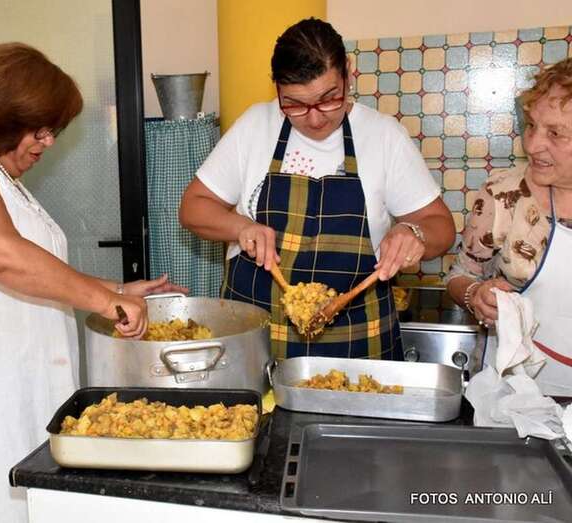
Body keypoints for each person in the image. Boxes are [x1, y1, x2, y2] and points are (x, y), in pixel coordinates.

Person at [0, 43, 185, 522]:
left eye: (53, 130)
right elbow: (1, 256)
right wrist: (105, 301)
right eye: (38, 129)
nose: (48, 142)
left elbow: (31, 272)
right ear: (3, 116)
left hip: (7, 392)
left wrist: (118, 289)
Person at [179, 18, 454, 361]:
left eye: (329, 99)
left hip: (359, 347)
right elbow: (194, 206)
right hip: (256, 346)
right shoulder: (256, 126)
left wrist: (414, 233)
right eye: (294, 104)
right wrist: (241, 227)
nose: (314, 119)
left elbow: (441, 226)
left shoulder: (384, 137)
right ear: (276, 88)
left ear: (348, 73)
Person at [446, 57, 572, 397]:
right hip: (513, 396)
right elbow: (460, 275)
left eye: (555, 133)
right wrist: (475, 295)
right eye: (531, 126)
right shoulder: (503, 194)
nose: (532, 145)